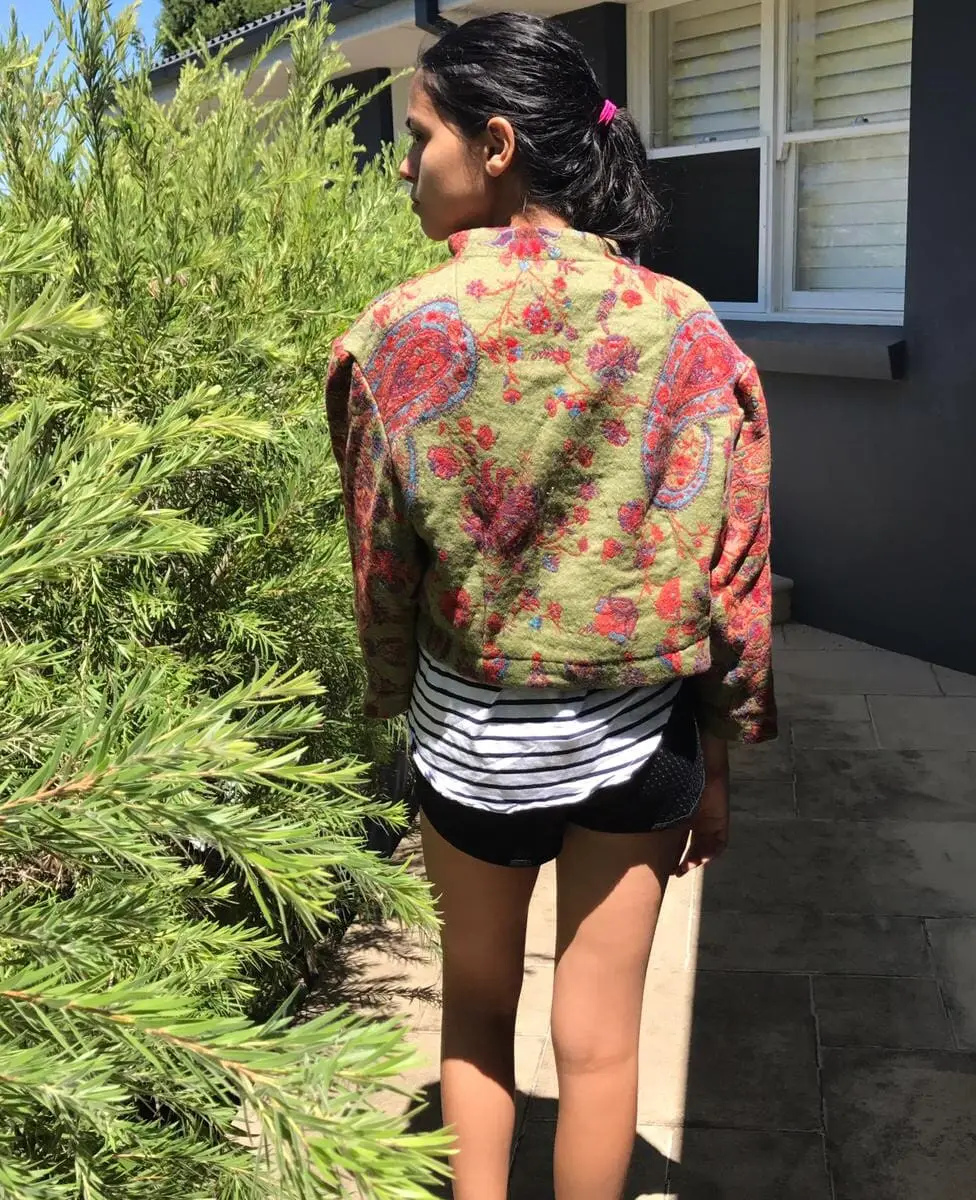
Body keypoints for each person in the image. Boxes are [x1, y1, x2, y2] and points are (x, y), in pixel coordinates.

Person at [325, 13, 776, 1198]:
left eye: (417, 135)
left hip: (472, 744)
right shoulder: (684, 328)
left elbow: (382, 572)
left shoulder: (394, 335)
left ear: (497, 144)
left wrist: (392, 702)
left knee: (476, 1011)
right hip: (639, 740)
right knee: (603, 1039)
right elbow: (733, 574)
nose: (406, 165)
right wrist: (722, 755)